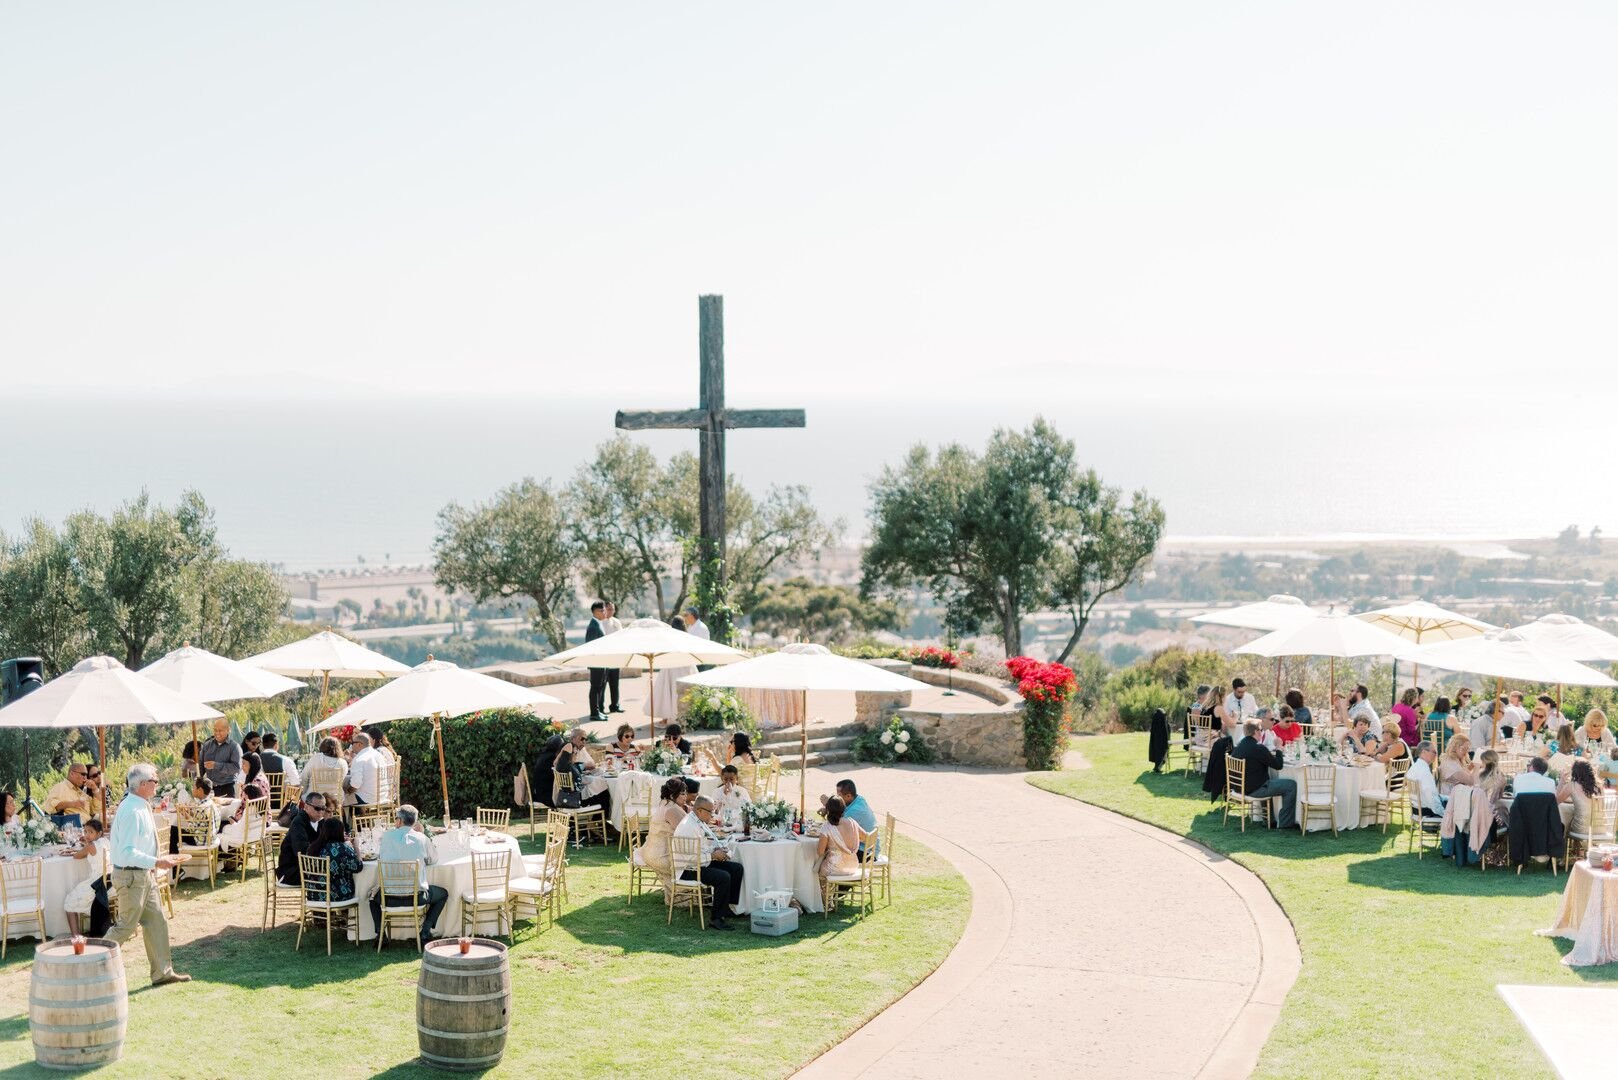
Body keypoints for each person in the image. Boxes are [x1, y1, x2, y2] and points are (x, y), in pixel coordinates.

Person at [107, 763, 190, 986]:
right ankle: (90, 965)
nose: (157, 783)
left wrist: (155, 862)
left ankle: (162, 973)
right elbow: (127, 852)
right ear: (143, 785)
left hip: (143, 875)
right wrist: (157, 861)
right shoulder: (132, 810)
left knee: (157, 921)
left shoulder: (140, 805)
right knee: (125, 927)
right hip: (131, 876)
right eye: (154, 780)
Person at [369, 804, 448, 945]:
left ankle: (380, 934)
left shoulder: (386, 837)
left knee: (371, 896)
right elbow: (433, 859)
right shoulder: (422, 839)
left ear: (399, 820)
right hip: (417, 897)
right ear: (415, 822)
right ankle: (425, 930)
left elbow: (380, 856)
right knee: (443, 894)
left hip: (388, 898)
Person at [672, 796, 744, 930]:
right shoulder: (688, 827)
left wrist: (717, 850)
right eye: (710, 812)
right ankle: (716, 919)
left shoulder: (697, 821)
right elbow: (690, 858)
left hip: (700, 864)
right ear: (699, 810)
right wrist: (713, 855)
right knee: (723, 877)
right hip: (687, 870)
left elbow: (702, 847)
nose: (713, 815)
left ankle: (725, 907)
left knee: (736, 869)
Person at [1227, 721, 1297, 829]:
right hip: (1253, 790)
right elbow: (1278, 766)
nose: (1261, 732)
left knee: (1265, 780)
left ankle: (1269, 820)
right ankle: (1285, 824)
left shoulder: (1238, 746)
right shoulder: (1258, 748)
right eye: (1260, 730)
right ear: (1256, 732)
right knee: (1291, 785)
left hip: (1238, 788)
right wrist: (1278, 747)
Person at [64, 818, 113, 938]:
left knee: (68, 902)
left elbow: (76, 856)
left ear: (99, 833)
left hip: (97, 883)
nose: (87, 835)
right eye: (85, 831)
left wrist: (85, 846)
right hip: (110, 881)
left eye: (90, 832)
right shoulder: (106, 841)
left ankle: (76, 936)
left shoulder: (90, 846)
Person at [304, 817, 363, 902]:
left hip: (314, 895)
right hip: (337, 895)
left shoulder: (313, 847)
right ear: (339, 832)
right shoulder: (342, 849)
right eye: (343, 831)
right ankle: (345, 913)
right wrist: (356, 847)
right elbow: (358, 866)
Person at [646, 619, 696, 718]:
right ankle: (685, 715)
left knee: (668, 691)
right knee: (685, 691)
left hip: (671, 666)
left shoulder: (669, 637)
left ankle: (668, 716)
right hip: (685, 666)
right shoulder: (686, 637)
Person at [636, 778, 688, 872]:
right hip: (661, 857)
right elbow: (687, 833)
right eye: (683, 794)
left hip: (651, 852)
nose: (686, 797)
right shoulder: (671, 810)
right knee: (698, 860)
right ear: (672, 796)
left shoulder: (665, 804)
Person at [276, 792, 328, 885]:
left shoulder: (321, 823)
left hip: (307, 866)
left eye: (323, 808)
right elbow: (301, 850)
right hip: (291, 872)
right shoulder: (298, 822)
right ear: (306, 806)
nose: (320, 812)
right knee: (330, 873)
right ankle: (322, 899)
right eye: (317, 808)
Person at [816, 796, 864, 878]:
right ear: (843, 808)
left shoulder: (827, 827)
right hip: (853, 867)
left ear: (828, 810)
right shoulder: (852, 822)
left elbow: (820, 852)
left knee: (816, 870)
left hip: (835, 868)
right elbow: (865, 837)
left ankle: (824, 891)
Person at [42, 762, 100, 828]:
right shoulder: (60, 787)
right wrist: (72, 804)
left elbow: (97, 809)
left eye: (86, 775)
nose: (85, 778)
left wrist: (95, 789)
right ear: (72, 774)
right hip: (73, 829)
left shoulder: (81, 792)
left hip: (87, 828)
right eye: (83, 774)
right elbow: (49, 806)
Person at [584, 600, 613, 722]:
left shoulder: (599, 624)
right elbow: (590, 647)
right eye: (602, 610)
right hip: (596, 664)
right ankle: (594, 713)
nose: (605, 612)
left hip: (602, 663)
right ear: (596, 612)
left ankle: (598, 711)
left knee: (600, 687)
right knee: (595, 688)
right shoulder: (593, 626)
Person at [198, 718, 242, 798]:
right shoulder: (207, 745)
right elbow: (201, 765)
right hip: (209, 790)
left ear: (228, 730)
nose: (217, 733)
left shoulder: (234, 747)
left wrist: (216, 765)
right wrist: (198, 782)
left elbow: (236, 768)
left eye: (220, 730)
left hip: (227, 789)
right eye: (215, 730)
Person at [1560, 760, 1602, 838]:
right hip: (1601, 828)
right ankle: (1580, 848)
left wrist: (1561, 781)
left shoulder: (1572, 785)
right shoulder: (1599, 786)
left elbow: (1556, 801)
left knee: (1567, 820)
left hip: (1582, 829)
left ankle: (1569, 848)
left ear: (1575, 772)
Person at [346, 732, 385, 807]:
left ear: (359, 744)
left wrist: (348, 791)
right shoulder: (379, 755)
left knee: (343, 798)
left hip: (367, 799)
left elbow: (356, 784)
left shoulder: (359, 759)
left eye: (352, 743)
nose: (351, 746)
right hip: (383, 797)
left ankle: (349, 819)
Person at [1406, 744, 1444, 821]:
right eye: (1434, 752)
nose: (1436, 755)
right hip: (1426, 811)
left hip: (1416, 809)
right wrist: (1443, 813)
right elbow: (1431, 797)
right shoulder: (1424, 771)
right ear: (1423, 752)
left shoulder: (1415, 767)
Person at [602, 601, 625, 713]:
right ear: (605, 609)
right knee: (602, 685)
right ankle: (600, 708)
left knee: (615, 684)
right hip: (604, 658)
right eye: (609, 609)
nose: (611, 611)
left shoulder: (617, 622)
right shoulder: (601, 623)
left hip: (615, 657)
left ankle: (615, 705)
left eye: (613, 609)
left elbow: (621, 637)